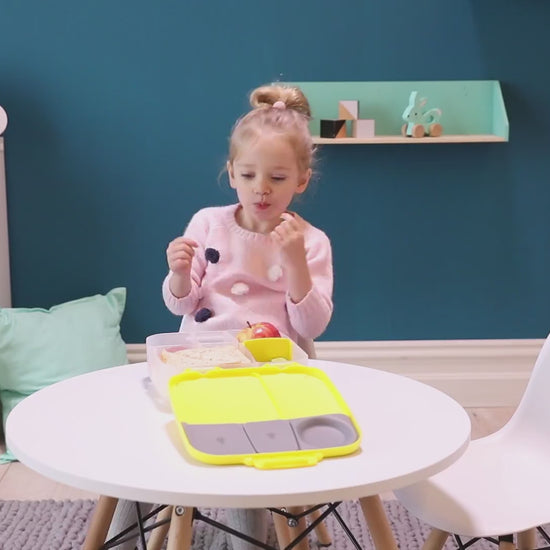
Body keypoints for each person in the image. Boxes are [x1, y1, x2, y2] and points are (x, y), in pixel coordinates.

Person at [108, 83, 333, 550]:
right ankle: (122, 538)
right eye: (248, 174)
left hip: (269, 376)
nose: (261, 188)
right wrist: (178, 273)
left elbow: (311, 327)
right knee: (143, 441)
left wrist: (294, 262)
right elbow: (181, 305)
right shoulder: (208, 223)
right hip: (198, 363)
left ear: (301, 180)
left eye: (277, 177)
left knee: (244, 443)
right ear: (231, 173)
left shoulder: (310, 242)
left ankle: (247, 537)